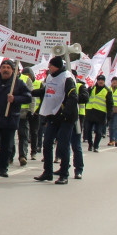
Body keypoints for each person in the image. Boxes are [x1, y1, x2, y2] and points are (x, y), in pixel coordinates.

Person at [34, 55, 79, 185]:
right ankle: (47, 172)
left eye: (51, 66)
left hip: (66, 118)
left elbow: (73, 97)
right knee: (47, 143)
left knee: (63, 145)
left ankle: (64, 174)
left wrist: (65, 113)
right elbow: (46, 91)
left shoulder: (67, 78)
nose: (48, 68)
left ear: (57, 66)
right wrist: (30, 92)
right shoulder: (50, 77)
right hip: (52, 116)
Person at [0, 60, 31, 178]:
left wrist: (15, 99)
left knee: (6, 146)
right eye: (3, 67)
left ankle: (3, 168)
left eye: (8, 67)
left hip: (10, 119)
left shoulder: (18, 83)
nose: (5, 69)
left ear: (13, 70)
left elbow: (28, 97)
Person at [84, 75, 112, 152]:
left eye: (102, 80)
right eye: (99, 80)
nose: (100, 81)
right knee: (88, 130)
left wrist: (109, 115)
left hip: (100, 114)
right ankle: (90, 144)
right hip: (90, 112)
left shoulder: (107, 91)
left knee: (98, 132)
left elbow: (110, 104)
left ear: (104, 81)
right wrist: (89, 88)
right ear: (97, 80)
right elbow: (86, 96)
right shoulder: (92, 88)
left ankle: (96, 146)